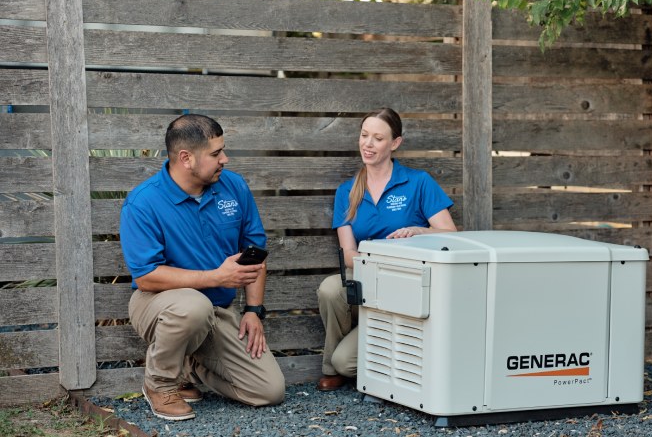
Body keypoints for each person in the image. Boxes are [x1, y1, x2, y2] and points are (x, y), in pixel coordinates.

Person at [120, 114, 285, 420]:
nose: (225, 159)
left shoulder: (233, 186)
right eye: (215, 153)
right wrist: (216, 277)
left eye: (222, 150)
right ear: (186, 158)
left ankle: (190, 367)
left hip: (217, 310)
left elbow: (255, 253)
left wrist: (253, 310)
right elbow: (146, 277)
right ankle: (160, 385)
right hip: (159, 304)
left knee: (269, 391)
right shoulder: (143, 202)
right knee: (193, 307)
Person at [317, 108, 457, 391]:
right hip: (369, 282)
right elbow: (348, 253)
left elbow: (451, 236)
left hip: (409, 286)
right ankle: (332, 368)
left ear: (395, 143)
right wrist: (380, 269)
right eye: (364, 135)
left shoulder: (418, 182)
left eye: (378, 138)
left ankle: (398, 353)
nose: (368, 144)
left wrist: (420, 231)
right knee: (331, 290)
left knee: (348, 361)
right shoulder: (347, 191)